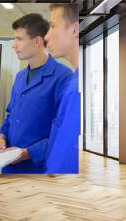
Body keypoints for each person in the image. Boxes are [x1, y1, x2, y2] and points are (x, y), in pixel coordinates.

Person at [0, 13, 73, 173]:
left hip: (38, 168)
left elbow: (65, 133)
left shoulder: (63, 77)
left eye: (19, 39)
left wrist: (27, 153)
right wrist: (2, 135)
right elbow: (11, 115)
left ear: (37, 41)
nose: (14, 45)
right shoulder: (20, 77)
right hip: (10, 165)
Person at [44, 4, 80, 173]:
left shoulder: (79, 87)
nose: (46, 36)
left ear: (74, 29)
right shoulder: (73, 82)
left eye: (52, 26)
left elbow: (68, 150)